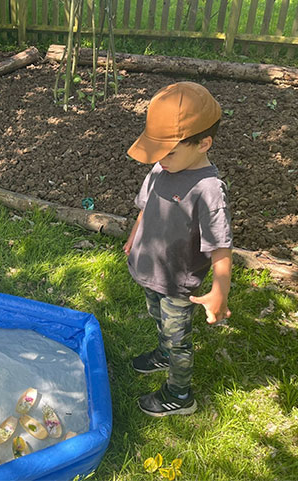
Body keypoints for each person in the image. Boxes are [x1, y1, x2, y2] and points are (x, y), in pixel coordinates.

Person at [123, 82, 233, 417]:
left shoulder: (208, 190)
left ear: (204, 143)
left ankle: (179, 394)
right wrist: (134, 236)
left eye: (169, 151)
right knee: (159, 319)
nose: (160, 159)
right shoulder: (161, 167)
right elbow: (146, 206)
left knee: (179, 339)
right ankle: (163, 354)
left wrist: (220, 293)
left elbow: (221, 247)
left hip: (176, 281)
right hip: (150, 270)